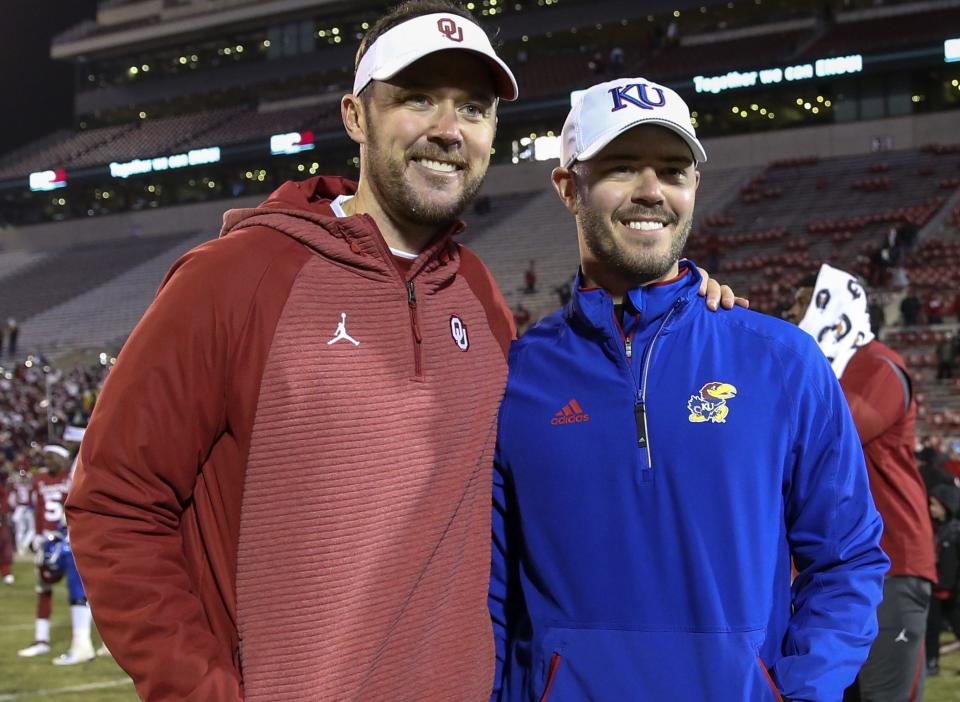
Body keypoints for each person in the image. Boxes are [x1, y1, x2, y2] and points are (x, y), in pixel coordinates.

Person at [66, 5, 736, 700]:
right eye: (419, 98)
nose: (448, 130)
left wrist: (683, 306)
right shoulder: (237, 276)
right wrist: (198, 690)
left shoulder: (476, 291)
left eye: (473, 108)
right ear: (357, 115)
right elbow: (114, 503)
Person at [489, 78, 888, 702]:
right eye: (622, 167)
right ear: (569, 188)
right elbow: (490, 590)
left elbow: (848, 558)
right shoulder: (515, 379)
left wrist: (804, 692)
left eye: (673, 170)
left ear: (694, 187)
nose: (652, 190)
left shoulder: (781, 360)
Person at [786, 264, 937, 701]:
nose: (792, 317)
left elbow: (833, 433)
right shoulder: (818, 370)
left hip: (893, 560)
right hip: (832, 566)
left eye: (802, 304)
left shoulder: (880, 366)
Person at [17, 444, 96, 665]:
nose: (48, 460)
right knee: (44, 586)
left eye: (52, 456)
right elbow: (39, 507)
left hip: (68, 538)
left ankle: (84, 644)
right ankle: (42, 640)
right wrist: (37, 534)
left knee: (78, 588)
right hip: (48, 539)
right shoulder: (41, 478)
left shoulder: (72, 475)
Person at [925, 483, 960, 677]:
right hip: (935, 587)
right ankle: (932, 662)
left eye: (935, 505)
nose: (931, 509)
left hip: (951, 589)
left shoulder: (955, 530)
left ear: (946, 506)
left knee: (957, 624)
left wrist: (953, 584)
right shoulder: (934, 528)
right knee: (932, 628)